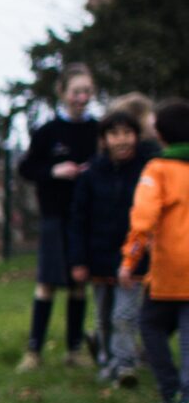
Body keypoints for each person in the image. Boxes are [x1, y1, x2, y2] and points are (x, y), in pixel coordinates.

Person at [16, 64, 101, 370]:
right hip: (55, 216)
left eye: (87, 92)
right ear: (63, 93)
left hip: (87, 218)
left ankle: (74, 350)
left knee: (79, 283)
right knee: (47, 283)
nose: (82, 98)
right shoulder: (48, 133)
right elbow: (26, 168)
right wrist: (53, 171)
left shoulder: (98, 131)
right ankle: (34, 350)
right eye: (77, 92)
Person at [68, 96, 152, 388]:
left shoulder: (148, 171)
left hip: (134, 258)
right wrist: (78, 260)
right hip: (98, 257)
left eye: (127, 133)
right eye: (114, 134)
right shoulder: (91, 175)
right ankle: (107, 360)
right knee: (103, 317)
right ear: (104, 139)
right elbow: (78, 220)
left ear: (137, 136)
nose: (122, 140)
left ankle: (125, 365)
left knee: (124, 315)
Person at [124, 99, 189, 403]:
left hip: (170, 271)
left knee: (150, 327)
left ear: (161, 136)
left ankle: (172, 393)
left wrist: (128, 260)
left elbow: (144, 219)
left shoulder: (158, 170)